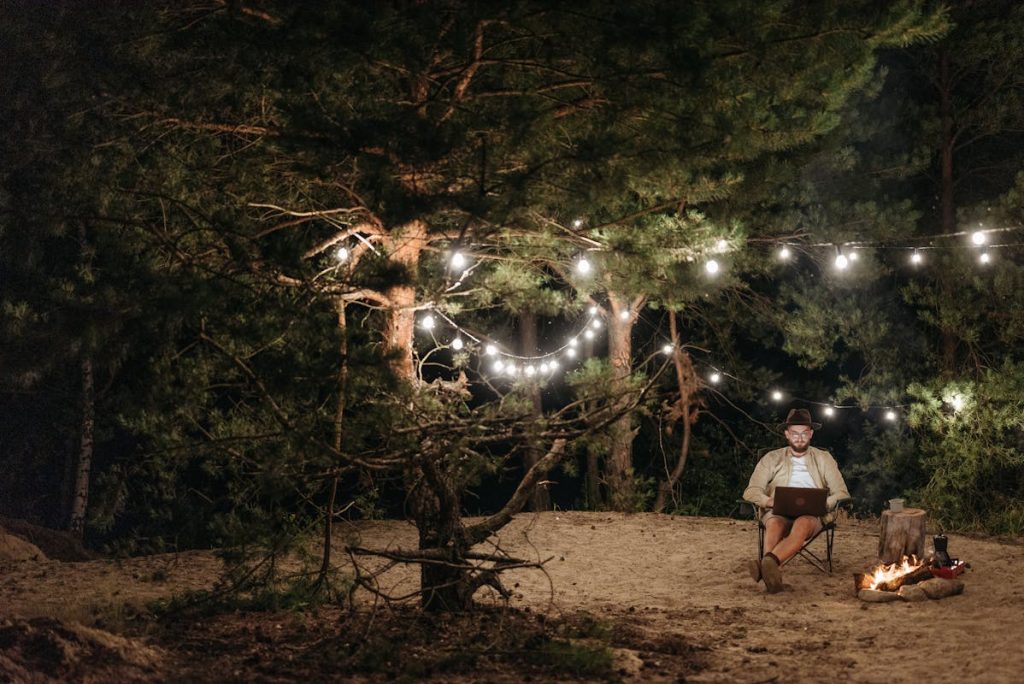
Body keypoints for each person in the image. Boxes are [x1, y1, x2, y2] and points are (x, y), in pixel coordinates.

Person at [743, 408, 850, 593]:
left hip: (811, 513)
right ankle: (772, 573)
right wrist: (769, 502)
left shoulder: (824, 459)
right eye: (794, 433)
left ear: (810, 434)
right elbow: (751, 491)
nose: (799, 438)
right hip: (777, 509)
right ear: (787, 434)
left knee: (802, 523)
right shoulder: (772, 458)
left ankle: (767, 564)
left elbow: (841, 493)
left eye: (803, 433)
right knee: (775, 522)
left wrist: (824, 504)